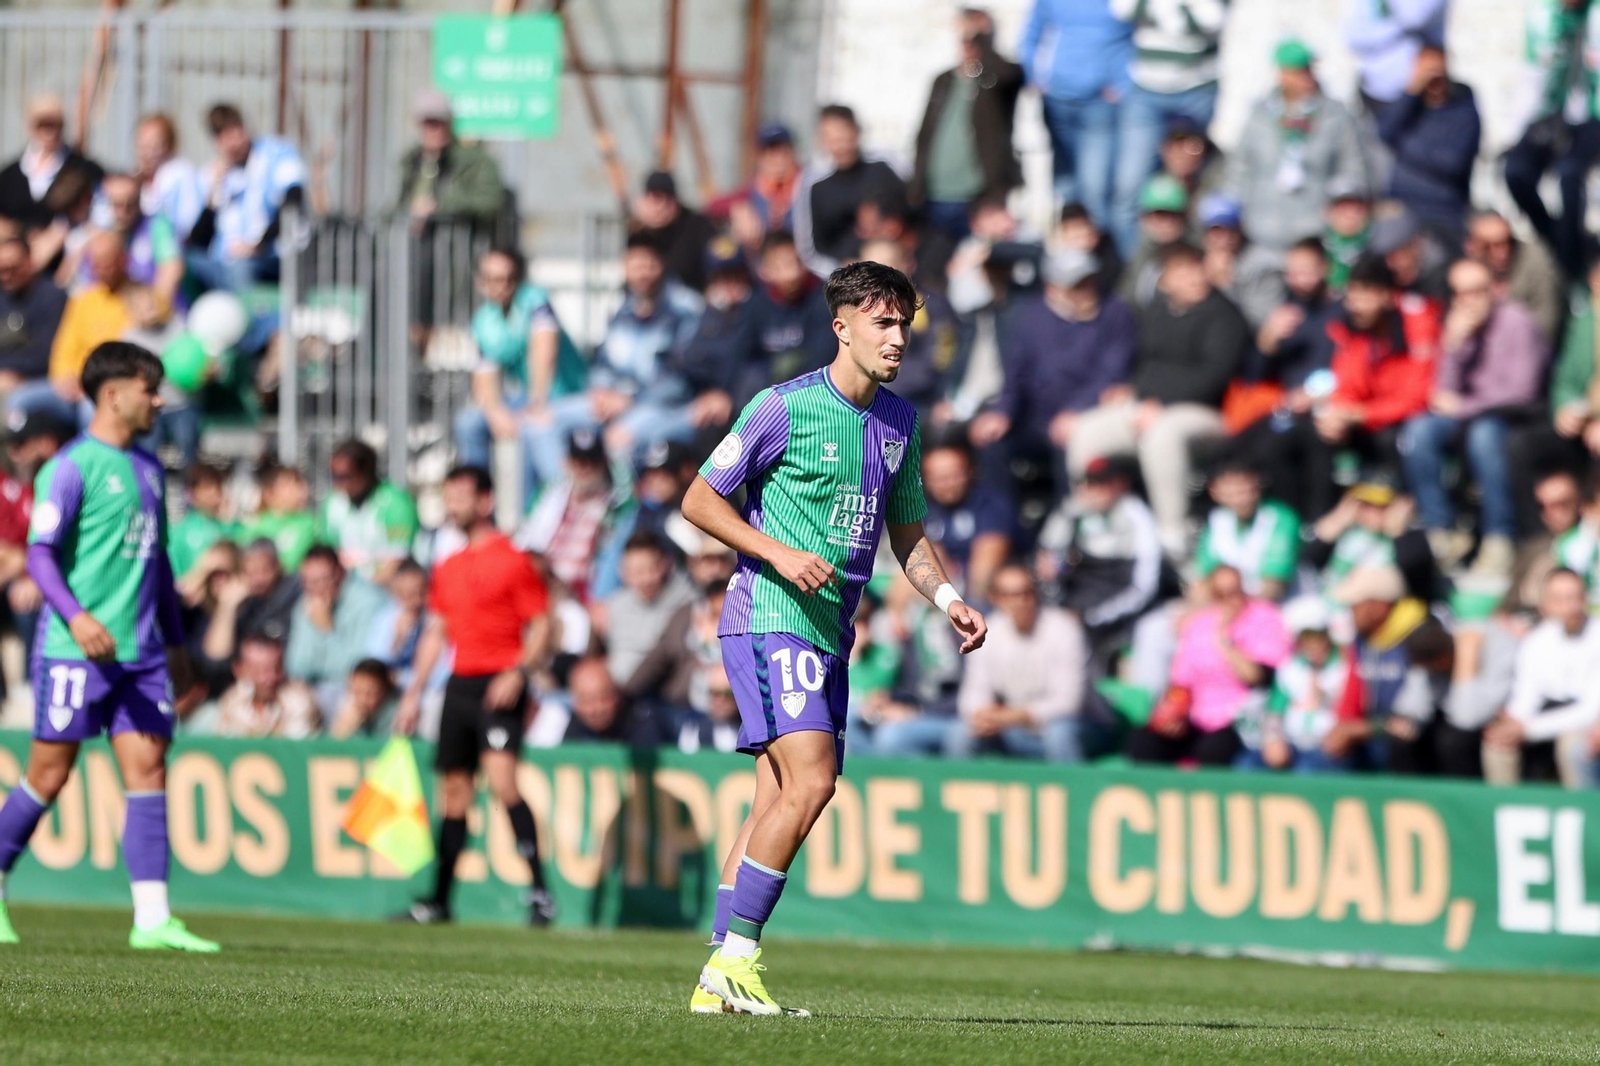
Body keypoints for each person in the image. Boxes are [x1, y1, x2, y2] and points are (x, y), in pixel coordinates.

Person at [680, 260, 986, 1015]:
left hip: (830, 633)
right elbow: (698, 499)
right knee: (813, 780)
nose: (898, 338)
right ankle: (739, 960)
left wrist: (947, 596)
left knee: (773, 799)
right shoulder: (781, 407)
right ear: (841, 327)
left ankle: (716, 982)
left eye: (904, 324)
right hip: (769, 614)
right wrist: (777, 552)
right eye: (883, 323)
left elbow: (906, 534)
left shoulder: (901, 424)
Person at [0, 341, 217, 950]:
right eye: (149, 389)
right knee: (49, 772)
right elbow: (40, 555)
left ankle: (152, 919)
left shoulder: (149, 469)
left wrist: (175, 645)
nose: (158, 399)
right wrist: (75, 616)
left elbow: (160, 567)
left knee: (148, 769)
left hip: (142, 654)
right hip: (77, 651)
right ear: (113, 393)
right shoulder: (71, 466)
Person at [395, 465, 555, 926]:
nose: (452, 505)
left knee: (503, 782)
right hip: (460, 684)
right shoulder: (448, 566)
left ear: (485, 501)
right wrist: (414, 692)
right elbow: (436, 631)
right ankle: (440, 900)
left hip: (499, 682)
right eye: (449, 496)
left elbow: (542, 623)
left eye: (460, 496)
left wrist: (520, 670)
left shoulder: (513, 560)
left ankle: (540, 893)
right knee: (454, 792)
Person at [1069, 241, 1251, 554]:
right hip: (1149, 406)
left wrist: (1159, 402)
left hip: (1208, 415)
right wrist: (1131, 391)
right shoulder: (1156, 312)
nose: (1192, 278)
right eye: (1181, 272)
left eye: (1196, 269)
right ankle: (1092, 524)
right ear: (1165, 281)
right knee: (1086, 430)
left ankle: (1172, 537)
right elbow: (1145, 365)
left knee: (1162, 434)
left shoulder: (1224, 315)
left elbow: (1213, 378)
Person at [1399, 258, 1550, 575]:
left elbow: (1522, 392)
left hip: (1514, 418)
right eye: (1461, 293)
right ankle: (1441, 531)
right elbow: (1442, 394)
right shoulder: (1457, 326)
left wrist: (1464, 407)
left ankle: (1499, 538)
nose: (1470, 300)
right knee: (1419, 431)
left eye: (1477, 291)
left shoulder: (1517, 321)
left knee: (1484, 436)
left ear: (1495, 289)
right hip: (1470, 416)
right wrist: (1453, 346)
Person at [523, 235, 702, 486]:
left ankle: (620, 518)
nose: (642, 273)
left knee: (618, 440)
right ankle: (564, 504)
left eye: (648, 265)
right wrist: (601, 392)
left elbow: (681, 378)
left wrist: (629, 399)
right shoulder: (624, 308)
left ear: (661, 265)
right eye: (635, 266)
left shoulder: (686, 308)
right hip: (614, 400)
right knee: (538, 423)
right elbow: (603, 362)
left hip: (663, 406)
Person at [969, 248, 1135, 499]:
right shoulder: (1032, 317)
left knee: (1070, 445)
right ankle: (1004, 526)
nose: (1087, 289)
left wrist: (1077, 411)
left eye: (1089, 280)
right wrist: (1002, 412)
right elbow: (1017, 375)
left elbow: (1112, 374)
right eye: (1076, 284)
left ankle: (1066, 524)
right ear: (1053, 289)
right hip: (1035, 418)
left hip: (1085, 419)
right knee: (991, 444)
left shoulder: (1115, 313)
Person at [454, 246, 585, 497]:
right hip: (525, 399)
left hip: (565, 395)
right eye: (489, 279)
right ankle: (477, 500)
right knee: (468, 422)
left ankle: (534, 512)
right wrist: (495, 412)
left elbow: (543, 352)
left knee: (529, 427)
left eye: (504, 279)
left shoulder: (535, 300)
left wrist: (536, 401)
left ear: (516, 280)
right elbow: (484, 376)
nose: (497, 286)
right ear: (479, 281)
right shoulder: (484, 319)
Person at [1127, 565, 1290, 766]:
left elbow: (1257, 678)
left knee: (1214, 750)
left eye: (1234, 592)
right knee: (1142, 741)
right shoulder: (1199, 623)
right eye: (1220, 594)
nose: (1228, 600)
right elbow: (1181, 684)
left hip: (1241, 720)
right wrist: (1175, 715)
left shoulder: (1265, 618)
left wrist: (1225, 639)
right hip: (1197, 719)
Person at [1107, 0, 1228, 256]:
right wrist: (1181, 10)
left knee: (1194, 182)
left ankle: (1188, 257)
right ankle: (1136, 268)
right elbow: (1123, 9)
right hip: (1146, 90)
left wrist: (1162, 10)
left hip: (1197, 88)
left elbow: (1210, 19)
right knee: (1130, 186)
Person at [1227, 39, 1369, 254]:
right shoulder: (1260, 115)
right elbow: (1239, 168)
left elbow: (1353, 167)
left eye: (1308, 69)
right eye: (1298, 71)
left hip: (1316, 232)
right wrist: (1234, 215)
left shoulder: (1334, 115)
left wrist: (1342, 208)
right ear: (1282, 74)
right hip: (1262, 230)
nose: (1306, 77)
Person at [945, 563, 1089, 761]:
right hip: (1012, 728)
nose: (1021, 601)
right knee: (962, 732)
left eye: (1026, 593)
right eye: (1010, 595)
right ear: (995, 599)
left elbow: (1068, 703)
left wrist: (1010, 716)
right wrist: (985, 716)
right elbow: (972, 696)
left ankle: (1074, 790)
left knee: (1060, 733)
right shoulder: (990, 630)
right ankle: (960, 790)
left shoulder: (1063, 628)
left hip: (1073, 726)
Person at [909, 8, 1024, 242]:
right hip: (936, 196)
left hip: (980, 199)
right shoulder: (943, 80)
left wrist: (984, 37)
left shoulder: (995, 79)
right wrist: (916, 186)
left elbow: (1008, 75)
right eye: (965, 40)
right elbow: (925, 133)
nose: (969, 46)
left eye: (975, 40)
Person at [1504, 0, 1600, 277]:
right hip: (1550, 110)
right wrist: (1517, 130)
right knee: (1516, 171)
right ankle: (1556, 244)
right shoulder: (1543, 15)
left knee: (1570, 176)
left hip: (1592, 112)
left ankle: (1571, 266)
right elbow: (1531, 74)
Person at [1018, 0, 1133, 229]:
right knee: (1064, 182)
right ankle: (1068, 250)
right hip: (1056, 100)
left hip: (1099, 103)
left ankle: (1098, 251)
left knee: (1094, 186)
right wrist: (1035, 76)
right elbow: (1031, 34)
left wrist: (1123, 84)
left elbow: (1137, 38)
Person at [1483, 568, 1600, 787]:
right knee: (1498, 743)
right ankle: (1504, 811)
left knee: (1573, 747)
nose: (1569, 607)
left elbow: (1590, 710)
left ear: (1585, 599)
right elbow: (1526, 697)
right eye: (1559, 599)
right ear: (1544, 605)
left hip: (1587, 724)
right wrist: (1512, 723)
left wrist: (1528, 728)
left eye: (1573, 597)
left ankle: (1585, 816)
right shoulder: (1536, 641)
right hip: (1546, 716)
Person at [186, 103, 305, 294]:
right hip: (224, 263)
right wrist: (212, 196)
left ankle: (246, 319)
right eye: (224, 136)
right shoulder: (212, 174)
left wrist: (258, 245)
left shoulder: (276, 154)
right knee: (184, 262)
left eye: (236, 132)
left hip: (268, 258)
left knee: (241, 267)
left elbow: (293, 202)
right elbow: (197, 242)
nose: (234, 142)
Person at [49, 232, 171, 411]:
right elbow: (64, 349)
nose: (101, 271)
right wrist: (65, 378)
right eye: (96, 265)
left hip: (115, 388)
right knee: (22, 402)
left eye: (107, 264)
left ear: (123, 260)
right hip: (75, 384)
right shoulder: (82, 301)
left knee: (90, 410)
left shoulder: (145, 299)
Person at [1375, 45, 1481, 246]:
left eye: (1437, 71)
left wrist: (1402, 145)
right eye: (1425, 72)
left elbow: (1454, 162)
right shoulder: (1407, 105)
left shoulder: (1463, 105)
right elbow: (1383, 133)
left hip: (1445, 208)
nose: (1432, 80)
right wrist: (1411, 92)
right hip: (1401, 204)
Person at [793, 104, 909, 275]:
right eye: (831, 138)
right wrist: (842, 270)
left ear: (856, 131)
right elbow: (810, 251)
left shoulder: (885, 167)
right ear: (821, 141)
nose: (839, 145)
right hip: (843, 279)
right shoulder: (814, 185)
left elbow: (915, 215)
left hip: (896, 271)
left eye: (842, 136)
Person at [1242, 596, 1352, 773]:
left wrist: (1327, 698)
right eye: (1307, 638)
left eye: (1318, 636)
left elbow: (1351, 712)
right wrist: (1273, 740)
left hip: (1327, 747)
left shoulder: (1344, 667)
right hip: (1292, 743)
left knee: (1307, 770)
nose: (1314, 645)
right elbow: (1274, 712)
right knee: (1247, 765)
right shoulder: (1289, 669)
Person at [283, 545, 388, 716]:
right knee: (292, 700)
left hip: (355, 691)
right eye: (309, 582)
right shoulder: (305, 604)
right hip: (316, 687)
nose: (316, 588)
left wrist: (326, 630)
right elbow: (296, 667)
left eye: (323, 580)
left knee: (348, 703)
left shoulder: (369, 602)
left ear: (340, 574)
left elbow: (357, 669)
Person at [918, 438, 1014, 605]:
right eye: (939, 478)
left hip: (985, 597)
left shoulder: (989, 504)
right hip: (940, 593)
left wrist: (967, 606)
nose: (948, 484)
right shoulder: (920, 508)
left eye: (954, 476)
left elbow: (991, 553)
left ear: (970, 471)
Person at [396, 89, 506, 232]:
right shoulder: (410, 162)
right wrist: (411, 210)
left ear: (449, 123)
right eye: (428, 123)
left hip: (458, 245)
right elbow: (396, 205)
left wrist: (440, 206)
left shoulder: (474, 161)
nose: (434, 130)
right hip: (417, 246)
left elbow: (490, 202)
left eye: (439, 123)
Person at [1193, 461, 1301, 601]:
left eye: (1244, 490)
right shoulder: (1216, 521)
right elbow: (1203, 579)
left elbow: (1273, 587)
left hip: (1281, 605)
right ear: (1214, 491)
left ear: (1257, 486)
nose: (1240, 500)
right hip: (1227, 606)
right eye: (1231, 492)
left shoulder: (1281, 519)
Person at [598, 531, 695, 685]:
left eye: (651, 569)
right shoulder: (617, 604)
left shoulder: (687, 600)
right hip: (617, 691)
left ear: (666, 564)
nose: (645, 580)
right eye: (636, 572)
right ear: (623, 572)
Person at [317, 439, 420, 584]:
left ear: (365, 472)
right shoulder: (332, 501)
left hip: (384, 590)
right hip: (342, 588)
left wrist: (364, 594)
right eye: (333, 476)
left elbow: (396, 561)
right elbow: (326, 553)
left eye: (345, 476)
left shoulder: (396, 502)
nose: (337, 483)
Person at [0, 93, 103, 233]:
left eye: (54, 124)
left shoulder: (84, 169)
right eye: (42, 124)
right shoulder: (9, 176)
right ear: (30, 125)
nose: (49, 131)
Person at [1463, 209, 1565, 350]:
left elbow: (1547, 325)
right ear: (1472, 246)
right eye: (1488, 246)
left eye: (1506, 242)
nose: (1501, 254)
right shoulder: (1466, 271)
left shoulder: (1534, 261)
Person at [0, 234, 68, 422]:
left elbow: (47, 352)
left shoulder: (52, 297)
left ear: (29, 263)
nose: (6, 275)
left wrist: (11, 372)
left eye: (12, 268)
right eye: (1, 270)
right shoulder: (2, 298)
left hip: (40, 381)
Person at [707, 123, 803, 254]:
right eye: (770, 152)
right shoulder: (753, 190)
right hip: (762, 267)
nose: (777, 159)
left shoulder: (808, 183)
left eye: (782, 151)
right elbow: (712, 206)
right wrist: (737, 208)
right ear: (759, 157)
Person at [1198, 193, 1287, 330]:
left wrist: (1225, 285)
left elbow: (1263, 324)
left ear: (1240, 229)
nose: (1224, 238)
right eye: (1216, 231)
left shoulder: (1265, 266)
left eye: (1230, 230)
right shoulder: (1197, 260)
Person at [1344, 0, 1449, 113]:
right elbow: (1353, 38)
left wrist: (1377, 29)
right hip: (1374, 89)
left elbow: (1414, 16)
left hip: (1417, 90)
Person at [212, 635, 319, 739]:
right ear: (239, 670)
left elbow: (295, 747)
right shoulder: (232, 700)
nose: (271, 677)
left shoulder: (299, 698)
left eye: (277, 668)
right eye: (260, 671)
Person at [633, 170, 719, 294]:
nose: (661, 206)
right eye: (656, 199)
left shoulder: (697, 226)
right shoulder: (640, 230)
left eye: (667, 199)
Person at [132, 113, 204, 242]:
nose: (148, 153)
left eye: (155, 147)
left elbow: (187, 223)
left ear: (170, 146)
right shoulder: (135, 178)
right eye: (143, 146)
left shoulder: (181, 174)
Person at [237, 464, 317, 573]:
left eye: (299, 484)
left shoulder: (308, 523)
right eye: (288, 485)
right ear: (269, 492)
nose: (298, 490)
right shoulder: (255, 524)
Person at [167, 464, 232, 582]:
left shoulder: (230, 530)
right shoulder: (179, 532)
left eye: (218, 486)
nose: (214, 492)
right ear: (193, 492)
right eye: (207, 487)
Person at [327, 658, 397, 739]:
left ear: (385, 690)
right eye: (357, 692)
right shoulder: (345, 709)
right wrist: (342, 729)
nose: (363, 700)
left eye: (370, 694)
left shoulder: (397, 713)